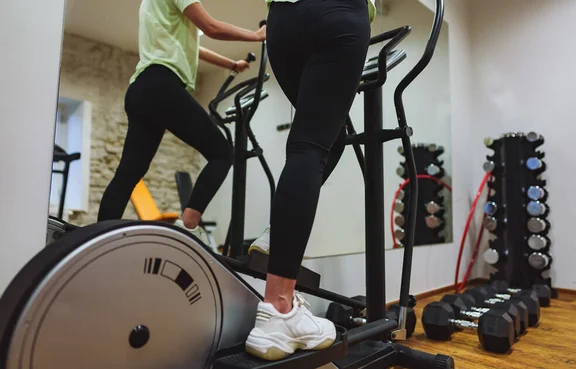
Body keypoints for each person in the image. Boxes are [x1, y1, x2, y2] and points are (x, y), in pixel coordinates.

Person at [244, 0, 376, 361]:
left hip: (283, 22)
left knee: (329, 141)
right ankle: (279, 310)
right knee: (310, 147)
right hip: (338, 14)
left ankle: (275, 238)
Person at [97, 0, 266, 238]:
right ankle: (187, 228)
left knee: (128, 173)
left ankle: (99, 239)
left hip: (141, 88)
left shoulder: (149, 4)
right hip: (162, 84)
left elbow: (193, 47)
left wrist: (231, 64)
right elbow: (211, 27)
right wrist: (257, 35)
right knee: (222, 153)